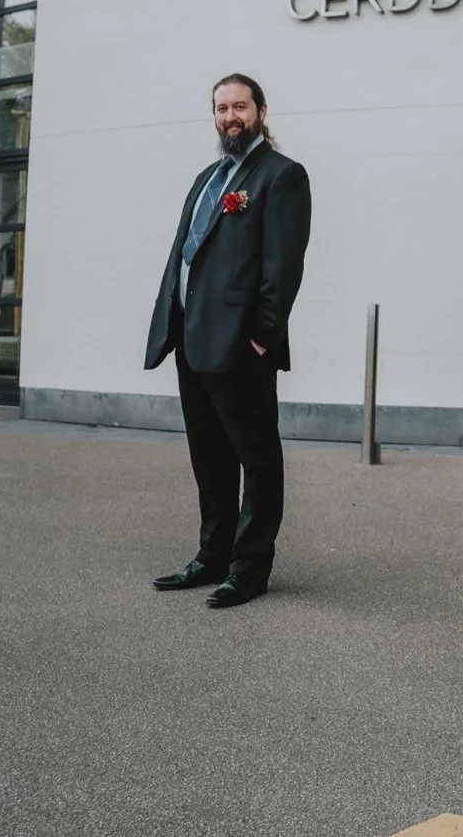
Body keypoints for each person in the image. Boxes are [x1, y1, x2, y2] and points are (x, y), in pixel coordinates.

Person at [143, 74, 311, 609]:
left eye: (239, 106)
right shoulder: (207, 178)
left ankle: (249, 568)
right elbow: (184, 254)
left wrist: (261, 338)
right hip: (192, 341)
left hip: (241, 347)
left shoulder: (281, 176)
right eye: (221, 108)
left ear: (262, 110)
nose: (230, 117)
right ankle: (211, 555)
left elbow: (282, 267)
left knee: (256, 459)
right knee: (209, 457)